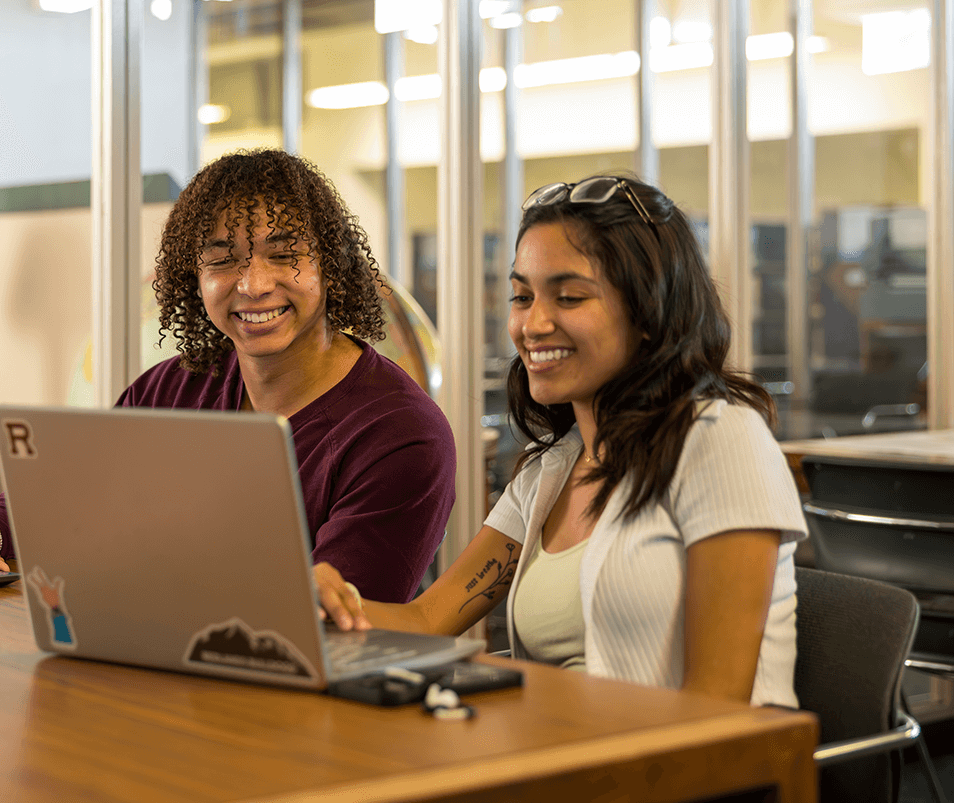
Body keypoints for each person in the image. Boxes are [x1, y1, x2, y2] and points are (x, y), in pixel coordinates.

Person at [316, 175, 807, 705]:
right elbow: (429, 617)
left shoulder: (721, 441)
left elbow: (718, 708)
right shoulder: (552, 468)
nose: (533, 323)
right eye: (522, 296)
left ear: (650, 312)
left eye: (569, 296)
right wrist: (313, 603)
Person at [0, 150, 456, 603]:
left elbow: (341, 616)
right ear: (194, 276)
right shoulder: (170, 389)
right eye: (222, 258)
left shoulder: (402, 434)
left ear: (330, 265)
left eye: (285, 255)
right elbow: (74, 488)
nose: (253, 284)